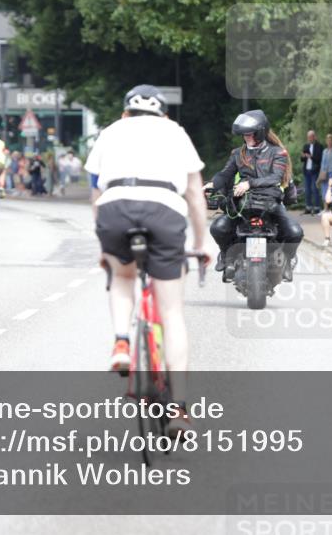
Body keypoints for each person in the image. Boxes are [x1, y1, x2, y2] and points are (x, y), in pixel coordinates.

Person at [86, 85, 208, 436]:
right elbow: (196, 195)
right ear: (164, 115)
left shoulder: (110, 131)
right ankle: (179, 408)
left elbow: (96, 194)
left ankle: (122, 341)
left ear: (125, 113)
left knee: (122, 276)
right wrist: (201, 243)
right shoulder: (176, 132)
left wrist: (105, 246)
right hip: (164, 211)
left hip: (114, 208)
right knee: (172, 312)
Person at [208, 109, 305, 283]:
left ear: (261, 132)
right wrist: (211, 184)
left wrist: (249, 184)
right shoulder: (238, 154)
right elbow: (224, 175)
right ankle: (226, 256)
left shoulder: (278, 153)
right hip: (243, 204)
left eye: (251, 134)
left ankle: (287, 262)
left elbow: (275, 177)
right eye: (244, 135)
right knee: (218, 228)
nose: (247, 138)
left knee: (295, 232)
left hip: (270, 203)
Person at [300, 130, 323, 215]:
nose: (309, 139)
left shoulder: (319, 146)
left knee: (315, 189)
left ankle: (317, 207)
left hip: (315, 171)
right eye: (308, 137)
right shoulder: (306, 146)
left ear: (314, 137)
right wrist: (303, 156)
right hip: (307, 171)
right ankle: (308, 207)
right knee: (307, 190)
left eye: (311, 137)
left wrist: (311, 157)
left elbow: (319, 160)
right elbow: (302, 159)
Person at [318, 133, 332, 203]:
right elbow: (322, 163)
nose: (329, 142)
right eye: (327, 140)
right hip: (325, 174)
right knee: (324, 191)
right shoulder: (324, 151)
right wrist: (321, 174)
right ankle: (326, 209)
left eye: (330, 140)